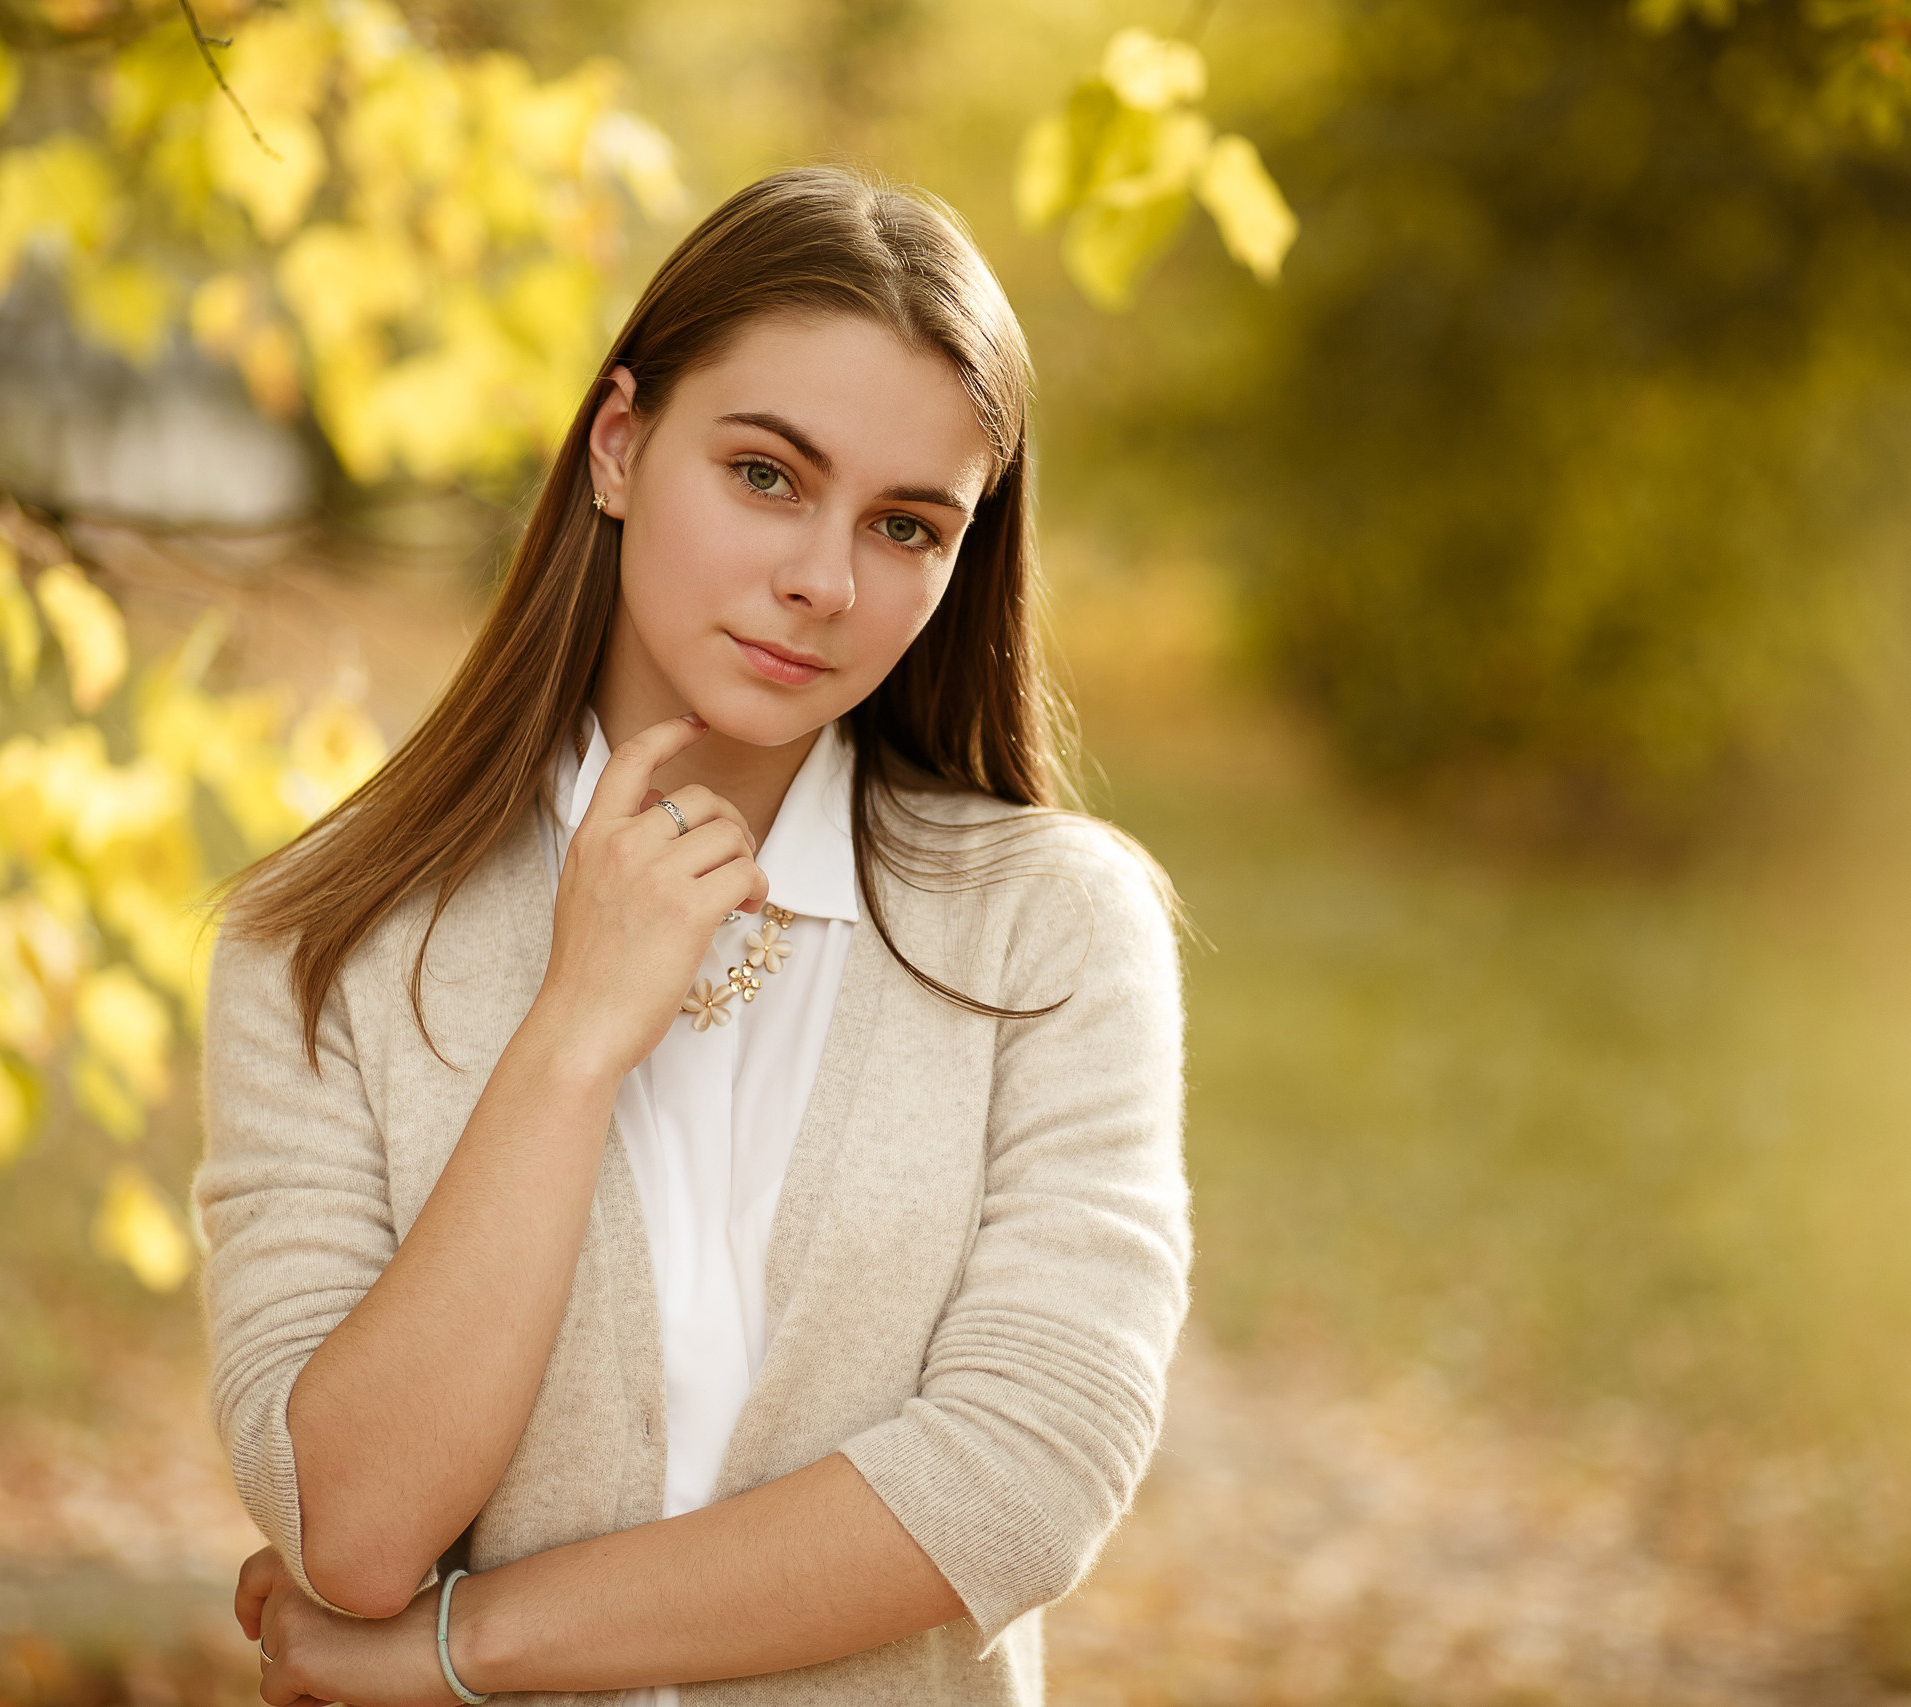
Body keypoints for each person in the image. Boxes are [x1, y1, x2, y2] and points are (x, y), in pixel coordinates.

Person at [195, 164, 1189, 1707]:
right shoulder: (319, 949)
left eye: (909, 527)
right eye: (768, 475)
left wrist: (464, 1649)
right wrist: (576, 1035)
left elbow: (1018, 1481)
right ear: (618, 445)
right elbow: (358, 1534)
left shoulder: (1052, 933)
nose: (824, 580)